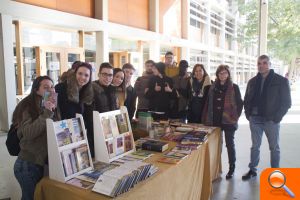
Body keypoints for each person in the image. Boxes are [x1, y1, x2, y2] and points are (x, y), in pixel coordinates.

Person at [242, 55, 291, 180]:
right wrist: (248, 114)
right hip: (255, 119)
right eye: (259, 63)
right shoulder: (252, 81)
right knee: (255, 146)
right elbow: (247, 99)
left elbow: (286, 102)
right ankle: (252, 170)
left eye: (264, 63)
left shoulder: (280, 81)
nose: (261, 65)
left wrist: (277, 117)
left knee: (274, 148)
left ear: (269, 64)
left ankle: (275, 173)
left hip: (271, 120)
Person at [13, 76, 59, 200]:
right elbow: (28, 133)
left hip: (41, 163)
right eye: (45, 87)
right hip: (27, 165)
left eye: (52, 87)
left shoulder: (49, 105)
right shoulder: (28, 107)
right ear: (36, 90)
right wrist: (47, 113)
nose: (50, 90)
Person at [202, 65, 243, 179]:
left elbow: (240, 103)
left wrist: (235, 117)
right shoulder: (212, 87)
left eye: (225, 73)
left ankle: (231, 168)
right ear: (217, 74)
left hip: (229, 121)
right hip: (215, 121)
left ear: (228, 74)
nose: (222, 75)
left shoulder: (234, 87)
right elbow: (208, 103)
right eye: (220, 73)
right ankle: (215, 167)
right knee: (215, 145)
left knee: (230, 144)